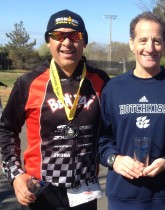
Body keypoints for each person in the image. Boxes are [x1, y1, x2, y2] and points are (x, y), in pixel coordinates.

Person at [0, 9, 109, 210]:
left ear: (84, 42)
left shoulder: (101, 81)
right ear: (48, 41)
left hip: (85, 191)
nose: (67, 42)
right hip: (41, 191)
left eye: (75, 35)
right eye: (58, 35)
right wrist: (15, 175)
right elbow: (6, 130)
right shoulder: (28, 82)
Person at [98, 11, 165, 210]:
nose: (150, 48)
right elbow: (101, 139)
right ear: (131, 44)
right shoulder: (113, 88)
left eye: (157, 41)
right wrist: (114, 159)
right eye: (143, 40)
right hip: (122, 195)